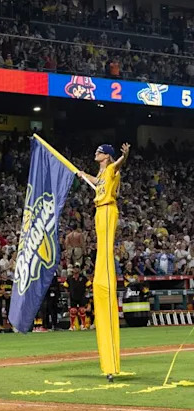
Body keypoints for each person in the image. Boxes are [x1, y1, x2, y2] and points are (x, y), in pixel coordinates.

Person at [78, 142, 130, 380]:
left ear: (106, 156)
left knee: (105, 250)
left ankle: (107, 271)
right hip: (100, 209)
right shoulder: (100, 174)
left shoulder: (110, 168)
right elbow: (98, 181)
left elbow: (118, 166)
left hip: (108, 209)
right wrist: (82, 174)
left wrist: (123, 155)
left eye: (99, 152)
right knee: (100, 248)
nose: (95, 154)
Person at [66, 266, 90, 331]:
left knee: (82, 310)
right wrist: (68, 293)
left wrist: (86, 292)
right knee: (73, 311)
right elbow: (65, 286)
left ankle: (83, 325)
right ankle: (72, 326)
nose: (76, 270)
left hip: (81, 296)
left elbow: (89, 285)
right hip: (73, 297)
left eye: (77, 268)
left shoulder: (83, 278)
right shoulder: (70, 278)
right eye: (74, 268)